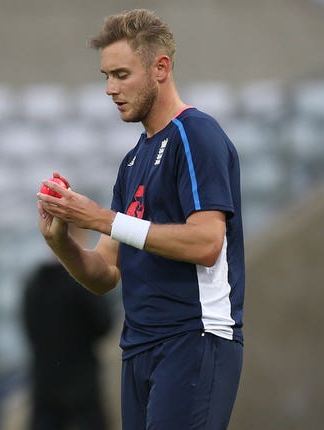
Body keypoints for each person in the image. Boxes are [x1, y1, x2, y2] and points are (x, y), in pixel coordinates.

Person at [36, 9, 244, 430]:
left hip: (194, 337)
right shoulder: (132, 161)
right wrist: (61, 239)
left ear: (160, 68)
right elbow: (104, 275)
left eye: (121, 74)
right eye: (105, 76)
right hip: (138, 348)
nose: (110, 88)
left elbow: (207, 244)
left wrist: (101, 218)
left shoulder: (197, 135)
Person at [22, 226, 115, 430]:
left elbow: (28, 329)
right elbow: (104, 324)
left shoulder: (34, 283)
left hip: (44, 382)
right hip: (82, 384)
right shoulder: (83, 282)